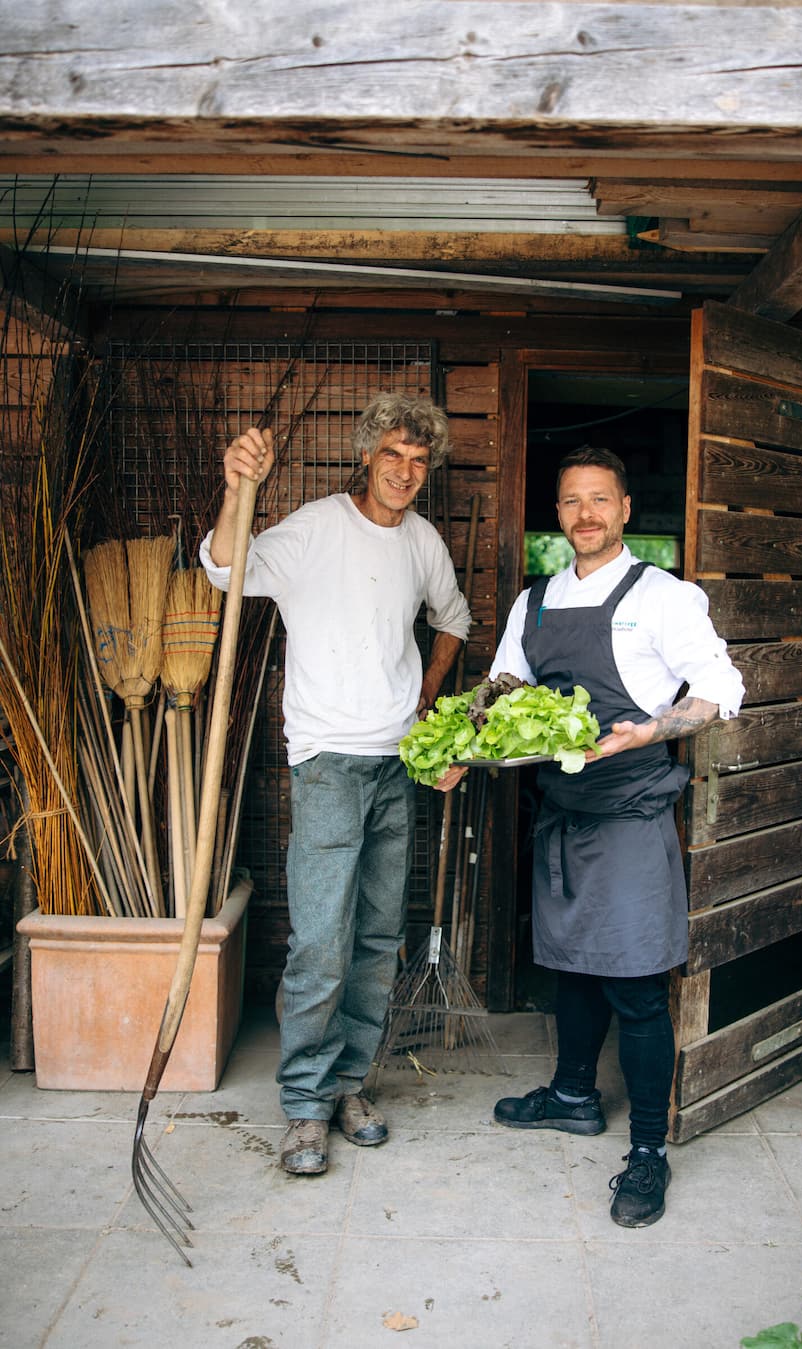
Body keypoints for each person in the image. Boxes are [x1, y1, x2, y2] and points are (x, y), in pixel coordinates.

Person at [438, 445, 744, 1227]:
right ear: (560, 511)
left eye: (600, 499)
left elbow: (720, 686)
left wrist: (651, 732)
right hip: (563, 814)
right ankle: (574, 1093)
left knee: (637, 986)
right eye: (572, 501)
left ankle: (649, 1151)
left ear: (625, 510)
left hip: (633, 814)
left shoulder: (664, 597)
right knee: (571, 966)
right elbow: (503, 694)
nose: (585, 514)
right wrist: (461, 751)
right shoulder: (533, 603)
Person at [201, 393, 471, 1176]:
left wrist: (425, 699)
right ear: (366, 454)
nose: (407, 473)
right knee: (321, 938)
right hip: (325, 761)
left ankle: (351, 1083)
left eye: (421, 462)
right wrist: (233, 486)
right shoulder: (316, 528)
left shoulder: (422, 541)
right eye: (394, 454)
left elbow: (451, 619)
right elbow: (225, 566)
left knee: (378, 934)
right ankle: (305, 1106)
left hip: (398, 764)